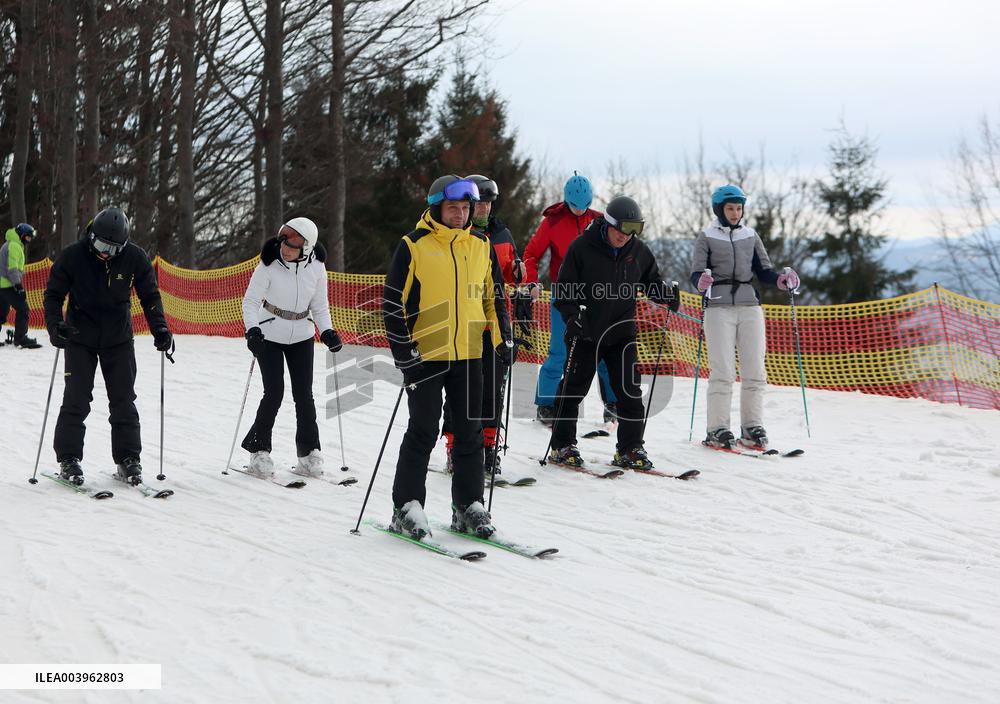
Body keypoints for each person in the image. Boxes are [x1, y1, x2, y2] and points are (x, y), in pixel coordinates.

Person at [383, 175, 512, 540]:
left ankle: (467, 506)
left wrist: (503, 340)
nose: (460, 214)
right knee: (423, 430)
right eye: (453, 207)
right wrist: (403, 351)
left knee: (470, 433)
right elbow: (393, 303)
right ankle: (406, 507)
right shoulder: (414, 245)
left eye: (466, 208)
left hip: (469, 353)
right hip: (425, 354)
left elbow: (494, 298)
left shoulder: (481, 244)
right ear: (437, 207)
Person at [546, 196, 679, 470]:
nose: (626, 235)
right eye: (623, 228)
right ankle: (562, 445)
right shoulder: (582, 247)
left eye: (634, 229)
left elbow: (651, 282)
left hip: (621, 332)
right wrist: (572, 316)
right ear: (608, 224)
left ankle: (630, 449)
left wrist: (665, 294)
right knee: (572, 390)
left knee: (629, 392)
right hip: (586, 332)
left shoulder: (639, 251)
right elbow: (563, 289)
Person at [44, 207, 174, 485]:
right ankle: (69, 458)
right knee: (77, 399)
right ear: (91, 235)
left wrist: (160, 328)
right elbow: (53, 295)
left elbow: (150, 296)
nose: (105, 253)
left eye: (113, 249)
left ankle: (128, 458)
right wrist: (56, 326)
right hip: (79, 338)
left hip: (118, 339)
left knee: (124, 400)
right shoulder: (73, 256)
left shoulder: (134, 257)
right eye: (101, 245)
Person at [690, 184, 800, 450]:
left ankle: (752, 427)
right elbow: (695, 275)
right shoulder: (706, 236)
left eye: (739, 208)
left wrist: (783, 281)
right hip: (718, 308)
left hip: (750, 305)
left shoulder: (750, 235)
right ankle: (717, 428)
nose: (736, 213)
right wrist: (701, 283)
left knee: (754, 370)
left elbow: (765, 271)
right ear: (719, 209)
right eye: (730, 208)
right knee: (723, 371)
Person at [241, 217, 344, 478]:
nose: (285, 249)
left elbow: (319, 306)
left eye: (293, 245)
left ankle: (309, 453)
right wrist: (252, 330)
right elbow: (251, 301)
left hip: (301, 333)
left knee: (304, 394)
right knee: (274, 391)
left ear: (307, 247)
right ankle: (259, 451)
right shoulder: (268, 264)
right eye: (283, 242)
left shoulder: (317, 267)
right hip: (269, 333)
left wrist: (328, 331)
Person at [439, 174, 522, 477]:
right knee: (460, 393)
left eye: (488, 203)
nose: (484, 208)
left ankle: (490, 448)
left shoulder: (502, 234)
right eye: (480, 203)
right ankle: (454, 447)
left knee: (493, 392)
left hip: (494, 326)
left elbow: (505, 281)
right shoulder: (462, 234)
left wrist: (518, 272)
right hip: (465, 327)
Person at [522, 172, 617, 426]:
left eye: (584, 206)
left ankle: (613, 403)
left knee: (603, 350)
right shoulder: (553, 222)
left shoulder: (599, 221)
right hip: (564, 296)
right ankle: (546, 404)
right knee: (559, 352)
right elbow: (531, 253)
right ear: (566, 201)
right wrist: (531, 280)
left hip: (596, 297)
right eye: (575, 206)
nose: (579, 211)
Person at [0, 223, 42, 348]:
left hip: (2, 284)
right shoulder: (14, 246)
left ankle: (19, 337)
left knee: (1, 311)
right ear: (22, 235)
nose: (29, 240)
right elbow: (12, 269)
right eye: (28, 237)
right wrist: (18, 286)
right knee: (23, 309)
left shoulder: (10, 243)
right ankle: (21, 338)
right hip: (7, 284)